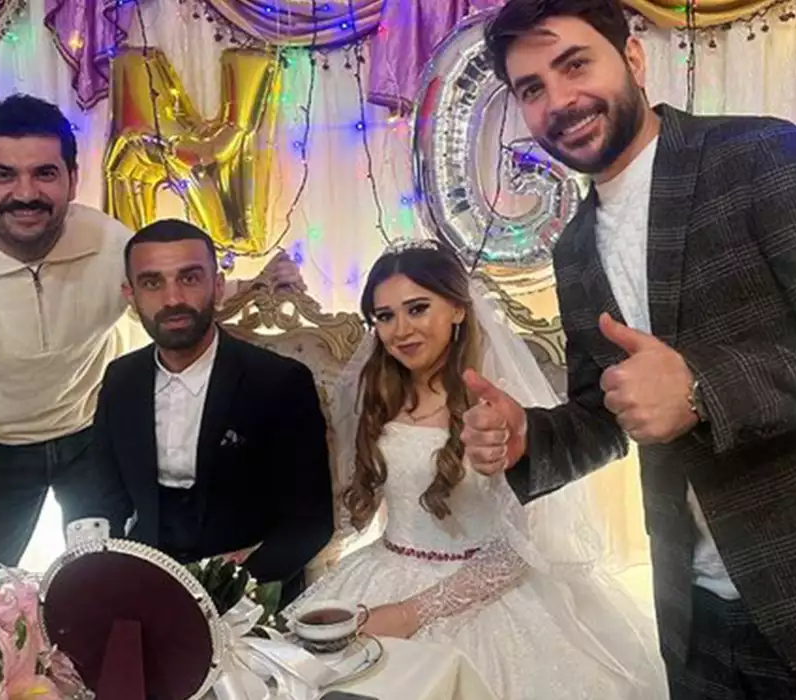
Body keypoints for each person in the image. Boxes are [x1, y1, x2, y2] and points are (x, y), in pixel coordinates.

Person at [459, 0, 796, 698]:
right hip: (697, 616)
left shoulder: (757, 155)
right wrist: (532, 436)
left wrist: (702, 388)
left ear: (633, 59)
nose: (559, 100)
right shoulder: (575, 247)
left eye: (575, 64)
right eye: (532, 89)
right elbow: (608, 411)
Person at [0, 94, 300, 581]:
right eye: (3, 175)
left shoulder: (109, 244)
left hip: (90, 440)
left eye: (44, 173)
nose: (26, 193)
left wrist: (258, 284)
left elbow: (169, 300)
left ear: (73, 179)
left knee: (104, 585)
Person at [286, 239, 668, 700]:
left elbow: (520, 549)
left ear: (458, 309)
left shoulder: (500, 403)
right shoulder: (379, 394)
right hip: (381, 571)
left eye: (418, 308)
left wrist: (409, 613)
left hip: (486, 591)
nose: (400, 330)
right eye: (384, 316)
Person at [72, 219, 332, 605]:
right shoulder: (121, 378)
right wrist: (101, 573)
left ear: (218, 285)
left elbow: (311, 521)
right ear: (130, 295)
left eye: (190, 278)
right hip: (145, 582)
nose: (173, 298)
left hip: (252, 589)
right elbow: (103, 497)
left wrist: (235, 586)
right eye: (152, 283)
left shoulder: (279, 381)